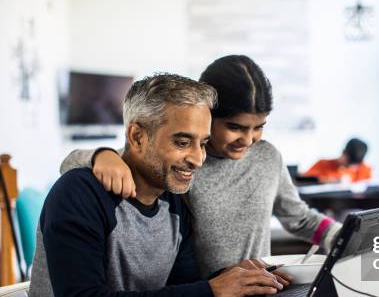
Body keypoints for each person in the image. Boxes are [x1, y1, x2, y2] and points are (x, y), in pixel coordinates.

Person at [24, 74, 284, 297]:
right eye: (182, 142)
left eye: (202, 143)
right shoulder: (79, 194)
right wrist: (211, 290)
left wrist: (242, 281)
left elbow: (183, 292)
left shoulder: (174, 206)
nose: (198, 159)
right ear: (137, 137)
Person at [61, 55, 341, 276]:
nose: (248, 139)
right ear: (207, 117)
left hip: (259, 291)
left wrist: (339, 236)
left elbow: (299, 218)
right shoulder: (181, 161)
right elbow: (72, 164)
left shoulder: (268, 157)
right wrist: (101, 154)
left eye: (259, 127)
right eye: (236, 127)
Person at [305, 138, 372, 183]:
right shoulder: (322, 164)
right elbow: (302, 180)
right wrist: (325, 180)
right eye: (347, 164)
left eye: (354, 166)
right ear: (343, 153)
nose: (349, 168)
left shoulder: (363, 169)